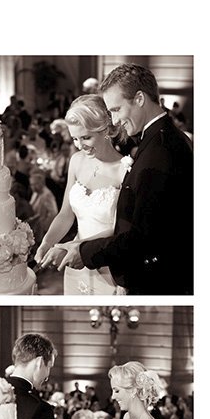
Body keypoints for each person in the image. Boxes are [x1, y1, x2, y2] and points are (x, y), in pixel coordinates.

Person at [54, 63, 195, 295]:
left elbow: (144, 235)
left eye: (117, 110)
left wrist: (85, 251)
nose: (115, 120)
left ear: (139, 98)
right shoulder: (159, 140)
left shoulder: (161, 150)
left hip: (158, 280)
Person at [34, 94, 127, 295]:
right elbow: (66, 214)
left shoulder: (125, 170)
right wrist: (47, 242)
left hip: (109, 265)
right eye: (75, 138)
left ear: (106, 130)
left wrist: (73, 246)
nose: (79, 145)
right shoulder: (76, 161)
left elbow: (122, 231)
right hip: (74, 262)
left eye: (86, 137)